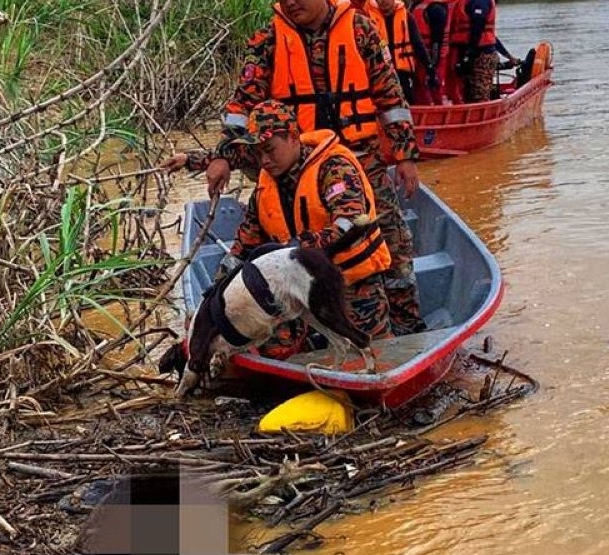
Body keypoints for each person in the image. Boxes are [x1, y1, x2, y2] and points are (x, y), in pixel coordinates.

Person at [164, 0, 426, 335]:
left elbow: (391, 98)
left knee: (392, 244)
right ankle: (311, 323)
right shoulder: (268, 40)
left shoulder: (362, 30)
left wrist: (405, 156)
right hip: (296, 167)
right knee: (293, 246)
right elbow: (241, 106)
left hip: (361, 160)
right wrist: (222, 155)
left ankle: (409, 328)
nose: (291, 2)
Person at [222, 100, 394, 357]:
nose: (264, 160)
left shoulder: (334, 168)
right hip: (293, 294)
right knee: (269, 349)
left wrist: (295, 249)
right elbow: (243, 246)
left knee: (375, 353)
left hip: (349, 285)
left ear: (293, 138)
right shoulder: (264, 187)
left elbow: (349, 223)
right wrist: (217, 293)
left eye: (269, 149)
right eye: (257, 154)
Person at [360, 0, 431, 106]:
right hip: (381, 71)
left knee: (409, 100)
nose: (383, 2)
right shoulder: (368, 18)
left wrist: (429, 67)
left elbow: (418, 43)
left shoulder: (406, 16)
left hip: (403, 71)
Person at [447, 0, 515, 103]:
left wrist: (469, 54)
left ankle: (482, 112)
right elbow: (488, 34)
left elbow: (479, 27)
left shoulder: (480, 2)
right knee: (468, 92)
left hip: (481, 54)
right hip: (467, 52)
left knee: (479, 93)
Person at [410, 0, 453, 105]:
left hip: (433, 57)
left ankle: (437, 110)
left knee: (433, 87)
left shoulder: (436, 9)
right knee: (419, 87)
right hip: (418, 56)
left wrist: (432, 65)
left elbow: (437, 41)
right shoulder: (415, 7)